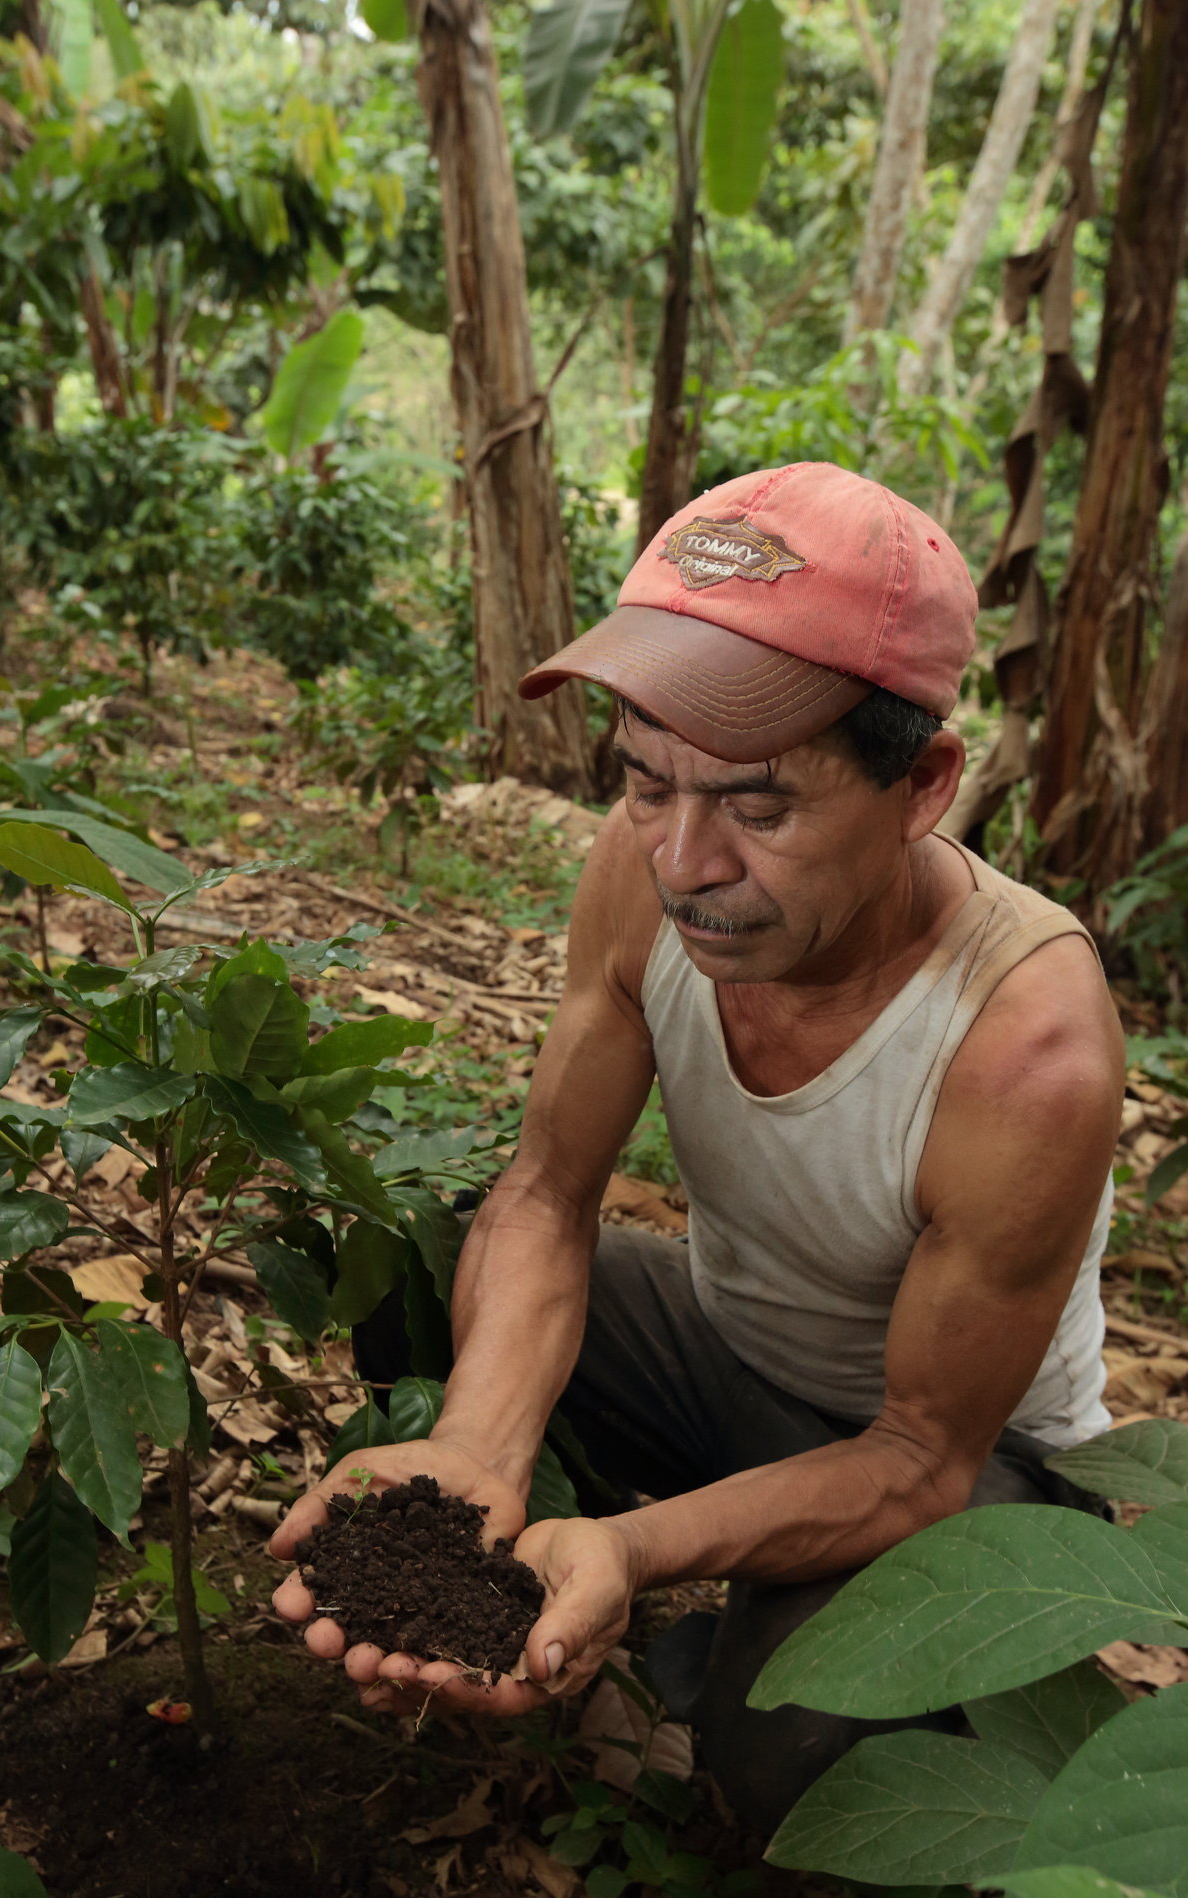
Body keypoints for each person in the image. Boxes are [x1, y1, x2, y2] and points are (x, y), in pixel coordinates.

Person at [272, 462, 1124, 1827]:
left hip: (965, 1466)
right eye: (642, 785)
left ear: (920, 785)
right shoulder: (644, 874)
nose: (682, 861)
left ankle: (724, 1631)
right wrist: (477, 1452)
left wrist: (631, 1546)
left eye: (755, 805)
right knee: (419, 1260)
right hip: (730, 1353)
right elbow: (547, 1192)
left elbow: (918, 1456)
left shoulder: (1023, 1045)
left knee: (783, 1777)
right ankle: (596, 1565)